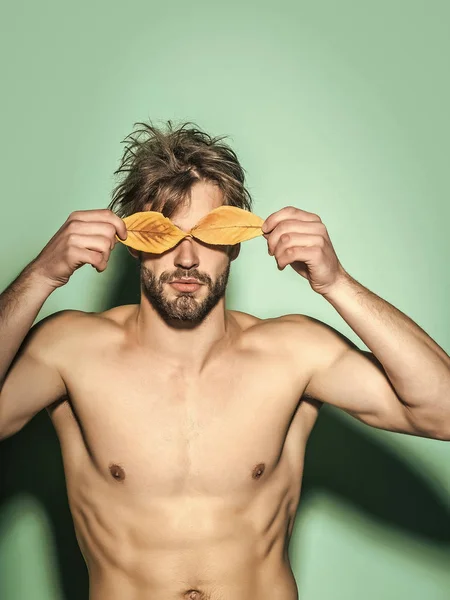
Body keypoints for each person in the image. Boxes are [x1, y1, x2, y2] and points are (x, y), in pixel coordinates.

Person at [0, 120, 449, 600]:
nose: (188, 258)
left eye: (209, 234)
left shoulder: (292, 354)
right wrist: (42, 275)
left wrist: (335, 282)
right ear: (132, 243)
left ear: (236, 242)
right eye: (164, 234)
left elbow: (440, 410)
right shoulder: (72, 350)